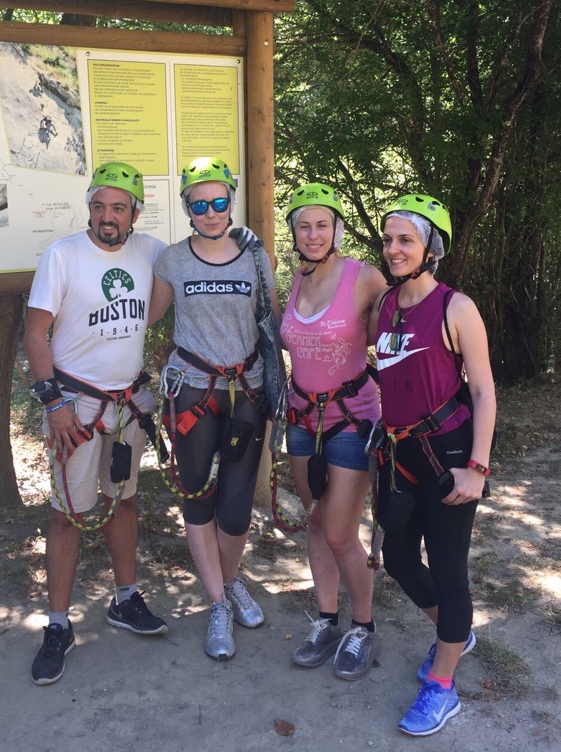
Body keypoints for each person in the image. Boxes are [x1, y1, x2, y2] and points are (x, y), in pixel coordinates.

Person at [24, 161, 168, 687]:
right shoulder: (62, 256)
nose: (108, 217)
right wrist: (53, 404)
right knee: (67, 514)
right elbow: (35, 333)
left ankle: (124, 599)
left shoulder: (151, 252)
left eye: (118, 208)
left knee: (123, 500)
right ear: (90, 209)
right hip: (76, 406)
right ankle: (58, 625)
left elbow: (164, 300)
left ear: (135, 213)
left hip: (127, 404)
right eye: (100, 206)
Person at [370, 194, 496, 737]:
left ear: (432, 248)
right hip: (397, 454)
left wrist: (478, 469)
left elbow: (484, 390)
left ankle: (442, 687)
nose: (393, 249)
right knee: (398, 558)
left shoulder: (455, 307)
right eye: (388, 239)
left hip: (448, 454)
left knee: (447, 569)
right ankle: (453, 633)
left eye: (406, 240)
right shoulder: (385, 304)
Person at [149, 156, 280, 661]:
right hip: (192, 392)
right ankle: (219, 602)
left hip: (247, 391)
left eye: (219, 201)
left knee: (236, 508)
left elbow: (273, 323)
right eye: (199, 204)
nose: (210, 212)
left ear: (231, 201)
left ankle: (229, 579)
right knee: (198, 497)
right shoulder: (172, 261)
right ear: (186, 208)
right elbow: (147, 315)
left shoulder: (256, 259)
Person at [279, 183, 386, 680]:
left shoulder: (364, 277)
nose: (313, 233)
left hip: (352, 418)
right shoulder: (297, 280)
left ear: (338, 229)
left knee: (341, 533)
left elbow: (400, 332)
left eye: (322, 224)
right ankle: (326, 619)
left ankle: (363, 626)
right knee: (318, 523)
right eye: (304, 225)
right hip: (302, 420)